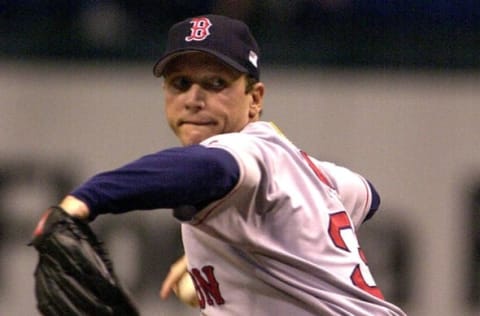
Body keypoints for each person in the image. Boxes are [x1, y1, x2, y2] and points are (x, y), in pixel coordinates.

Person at [47, 14, 406, 315]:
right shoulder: (302, 168)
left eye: (216, 83)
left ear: (255, 99)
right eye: (180, 83)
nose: (193, 99)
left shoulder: (243, 153)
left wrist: (84, 199)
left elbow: (207, 169)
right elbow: (367, 194)